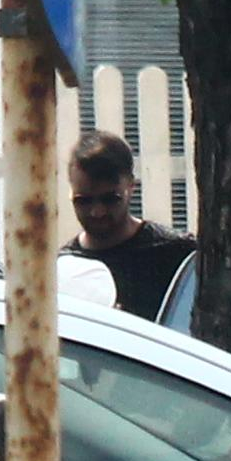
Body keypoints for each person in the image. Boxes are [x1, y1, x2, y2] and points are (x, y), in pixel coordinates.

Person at [74, 134, 190, 321]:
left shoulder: (178, 252)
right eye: (84, 201)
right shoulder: (61, 268)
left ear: (131, 187)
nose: (97, 212)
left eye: (110, 199)